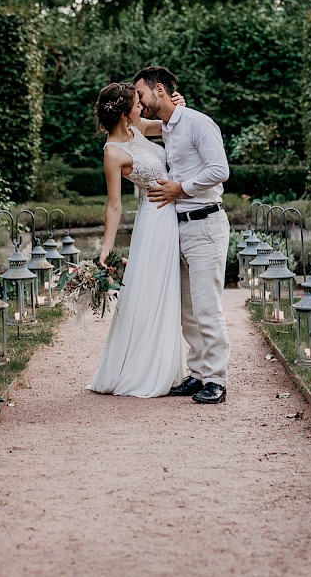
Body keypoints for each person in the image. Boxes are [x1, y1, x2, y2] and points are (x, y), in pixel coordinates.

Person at [136, 65, 231, 405]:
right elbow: (131, 120)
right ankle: (198, 373)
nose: (140, 101)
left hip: (206, 225)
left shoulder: (197, 123)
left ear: (159, 90)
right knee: (188, 310)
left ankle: (217, 380)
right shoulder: (167, 126)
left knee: (207, 307)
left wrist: (181, 188)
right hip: (180, 228)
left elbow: (220, 170)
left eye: (142, 94)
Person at [87, 82, 187, 398]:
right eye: (135, 103)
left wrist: (179, 107)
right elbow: (114, 205)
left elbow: (171, 124)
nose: (142, 106)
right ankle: (143, 369)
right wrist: (105, 250)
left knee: (163, 292)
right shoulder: (113, 152)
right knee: (151, 291)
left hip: (170, 213)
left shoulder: (139, 128)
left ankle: (164, 365)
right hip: (154, 222)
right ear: (122, 111)